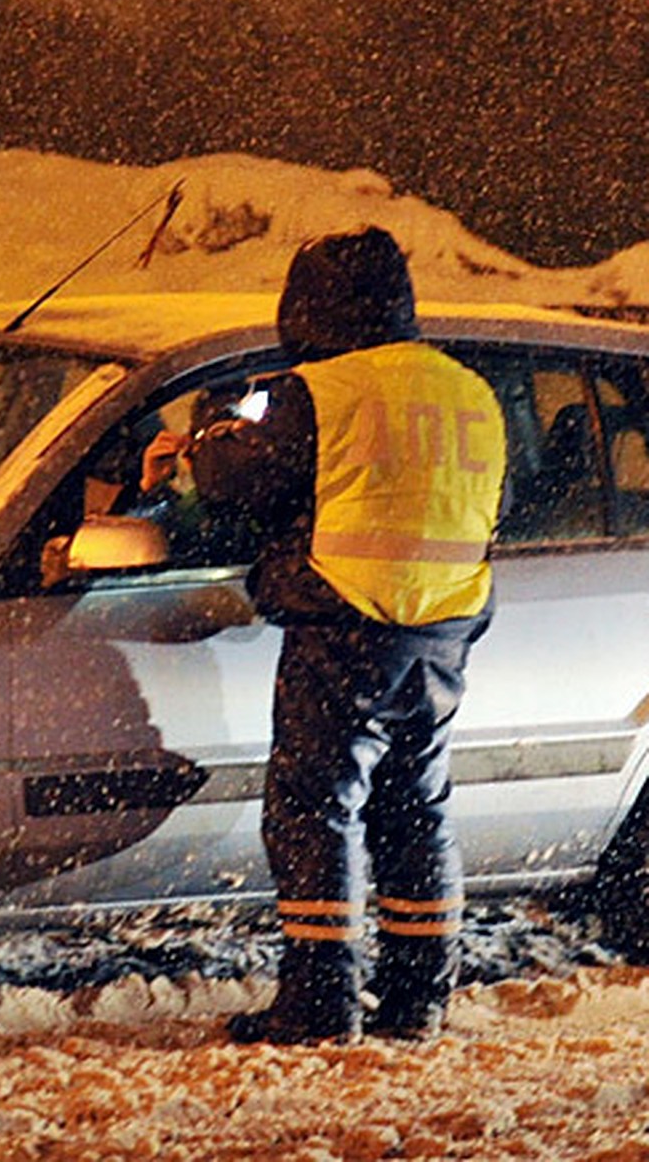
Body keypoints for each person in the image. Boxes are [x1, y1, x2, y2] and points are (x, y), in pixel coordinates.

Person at [187, 226, 507, 1044]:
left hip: (344, 619)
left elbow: (236, 480)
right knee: (416, 807)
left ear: (309, 305)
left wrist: (212, 422)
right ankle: (417, 1000)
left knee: (313, 810)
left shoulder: (319, 390)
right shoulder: (467, 388)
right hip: (443, 627)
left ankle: (321, 1001)